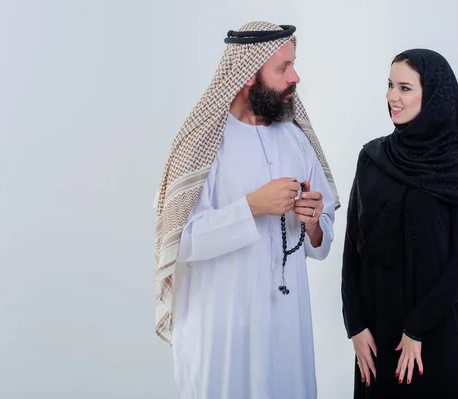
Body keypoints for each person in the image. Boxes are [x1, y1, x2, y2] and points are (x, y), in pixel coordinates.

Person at [153, 22, 340, 398]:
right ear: (247, 75)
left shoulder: (295, 138)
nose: (295, 77)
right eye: (283, 68)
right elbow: (179, 242)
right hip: (222, 329)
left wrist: (314, 220)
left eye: (294, 65)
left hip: (286, 327)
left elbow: (321, 238)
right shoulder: (203, 142)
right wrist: (253, 206)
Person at [341, 48, 458, 398]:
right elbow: (352, 247)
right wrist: (355, 326)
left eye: (405, 88)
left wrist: (416, 329)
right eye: (390, 85)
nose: (393, 96)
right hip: (375, 329)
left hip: (432, 328)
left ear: (433, 94)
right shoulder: (373, 158)